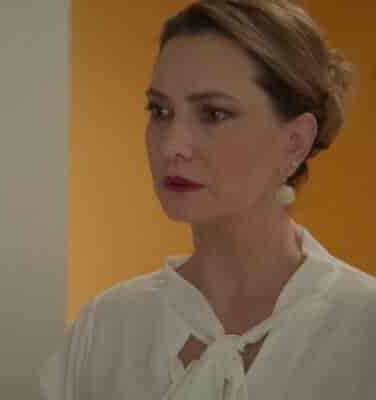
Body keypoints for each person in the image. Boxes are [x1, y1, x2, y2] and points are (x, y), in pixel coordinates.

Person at [40, 0, 375, 399]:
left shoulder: (363, 330)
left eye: (214, 114)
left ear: (294, 143)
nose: (172, 145)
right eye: (160, 110)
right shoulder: (106, 328)